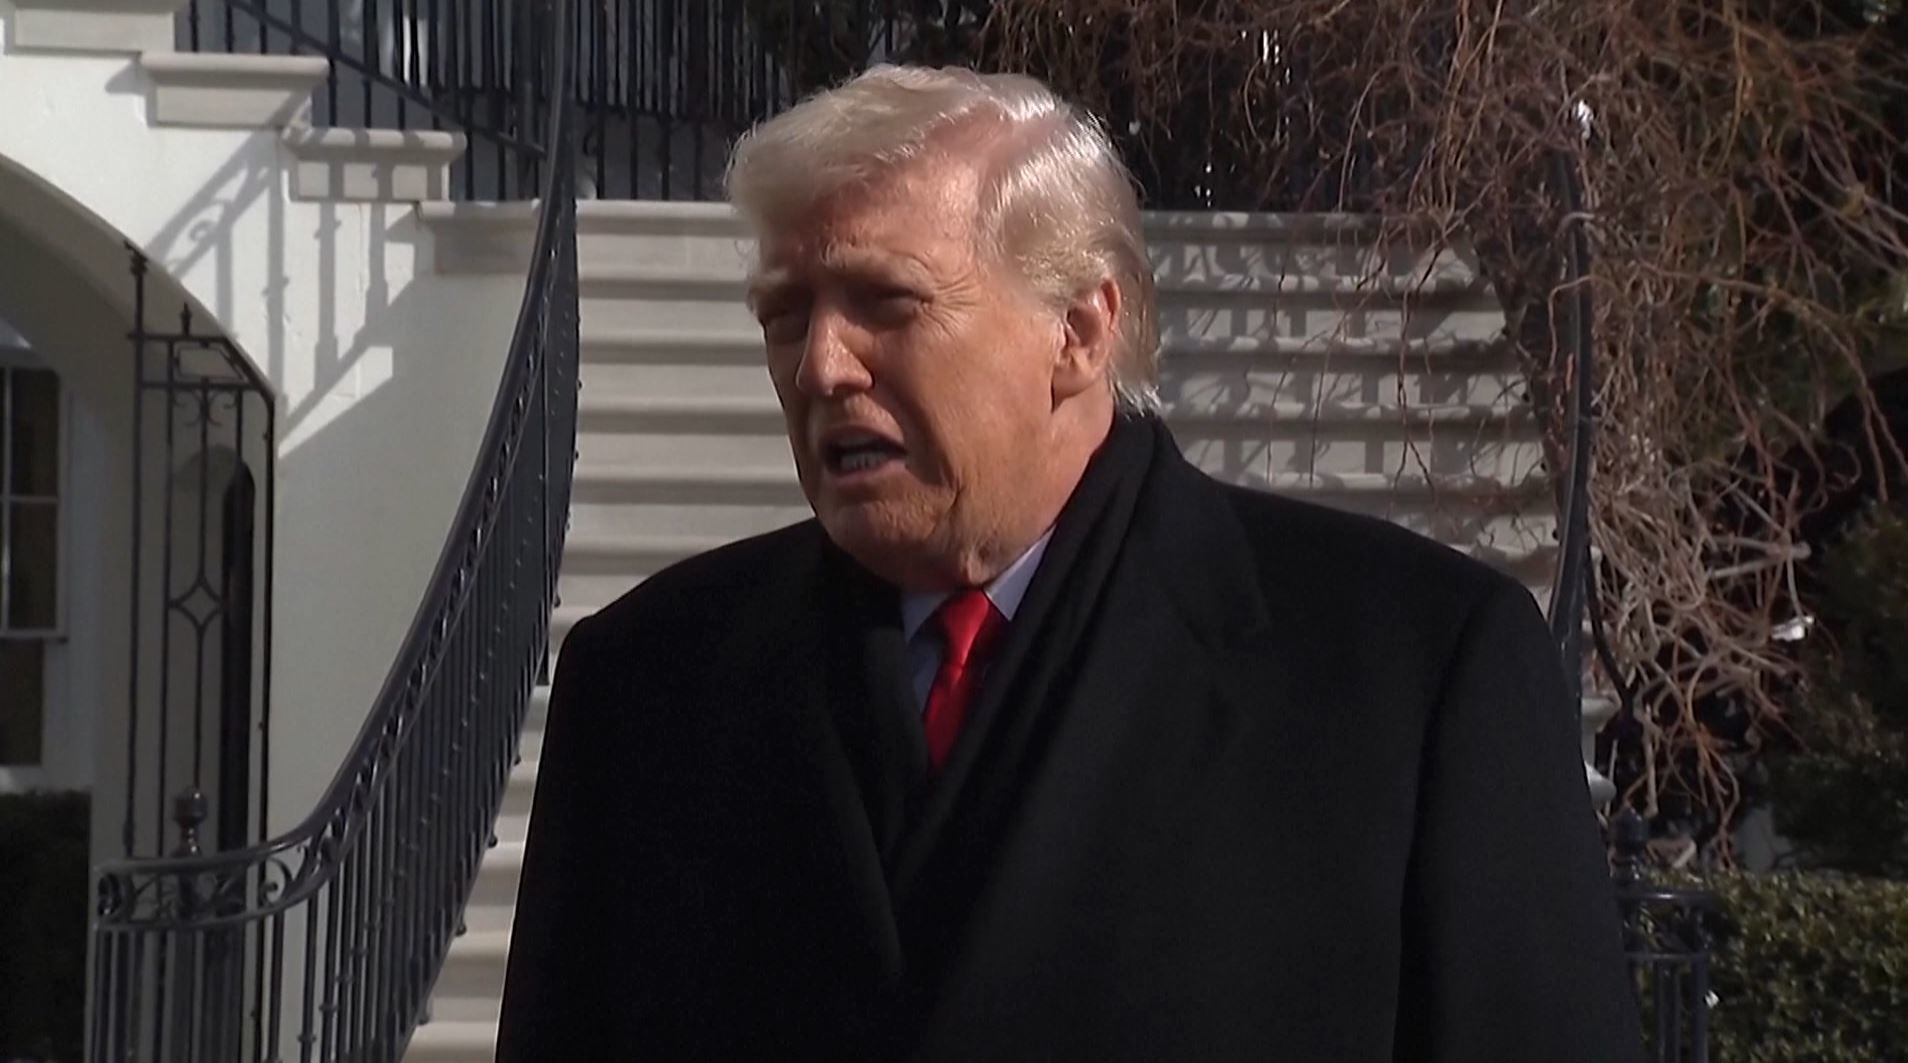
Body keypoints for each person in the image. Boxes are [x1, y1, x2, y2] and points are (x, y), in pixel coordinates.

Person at [496, 65, 1643, 1063]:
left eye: (886, 301)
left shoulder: (1409, 671)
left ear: (1081, 330)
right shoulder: (647, 679)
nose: (822, 366)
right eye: (786, 314)